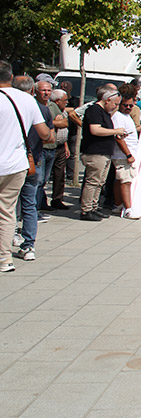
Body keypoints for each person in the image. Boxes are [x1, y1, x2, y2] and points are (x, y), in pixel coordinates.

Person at [0, 64, 50, 270]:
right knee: (7, 211)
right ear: (11, 77)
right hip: (17, 164)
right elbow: (45, 134)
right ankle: (5, 259)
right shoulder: (28, 100)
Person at [79, 84, 126, 222]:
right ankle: (86, 209)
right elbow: (95, 130)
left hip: (104, 153)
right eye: (115, 104)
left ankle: (93, 206)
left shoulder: (104, 112)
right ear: (107, 101)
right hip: (95, 153)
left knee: (100, 182)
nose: (115, 107)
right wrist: (115, 131)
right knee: (92, 182)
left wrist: (116, 134)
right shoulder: (94, 110)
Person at [110, 90, 140, 220]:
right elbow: (119, 138)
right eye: (125, 105)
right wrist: (128, 155)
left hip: (128, 153)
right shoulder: (118, 117)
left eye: (130, 105)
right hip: (123, 155)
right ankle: (128, 209)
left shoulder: (126, 117)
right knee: (125, 181)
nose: (128, 108)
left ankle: (118, 204)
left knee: (120, 180)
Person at [46, 89, 71, 211]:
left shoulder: (63, 111)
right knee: (45, 176)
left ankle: (57, 199)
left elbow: (65, 123)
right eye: (65, 100)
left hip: (61, 145)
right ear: (57, 101)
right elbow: (52, 123)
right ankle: (42, 201)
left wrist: (66, 146)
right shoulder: (51, 108)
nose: (67, 102)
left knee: (60, 174)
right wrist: (58, 122)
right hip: (51, 147)